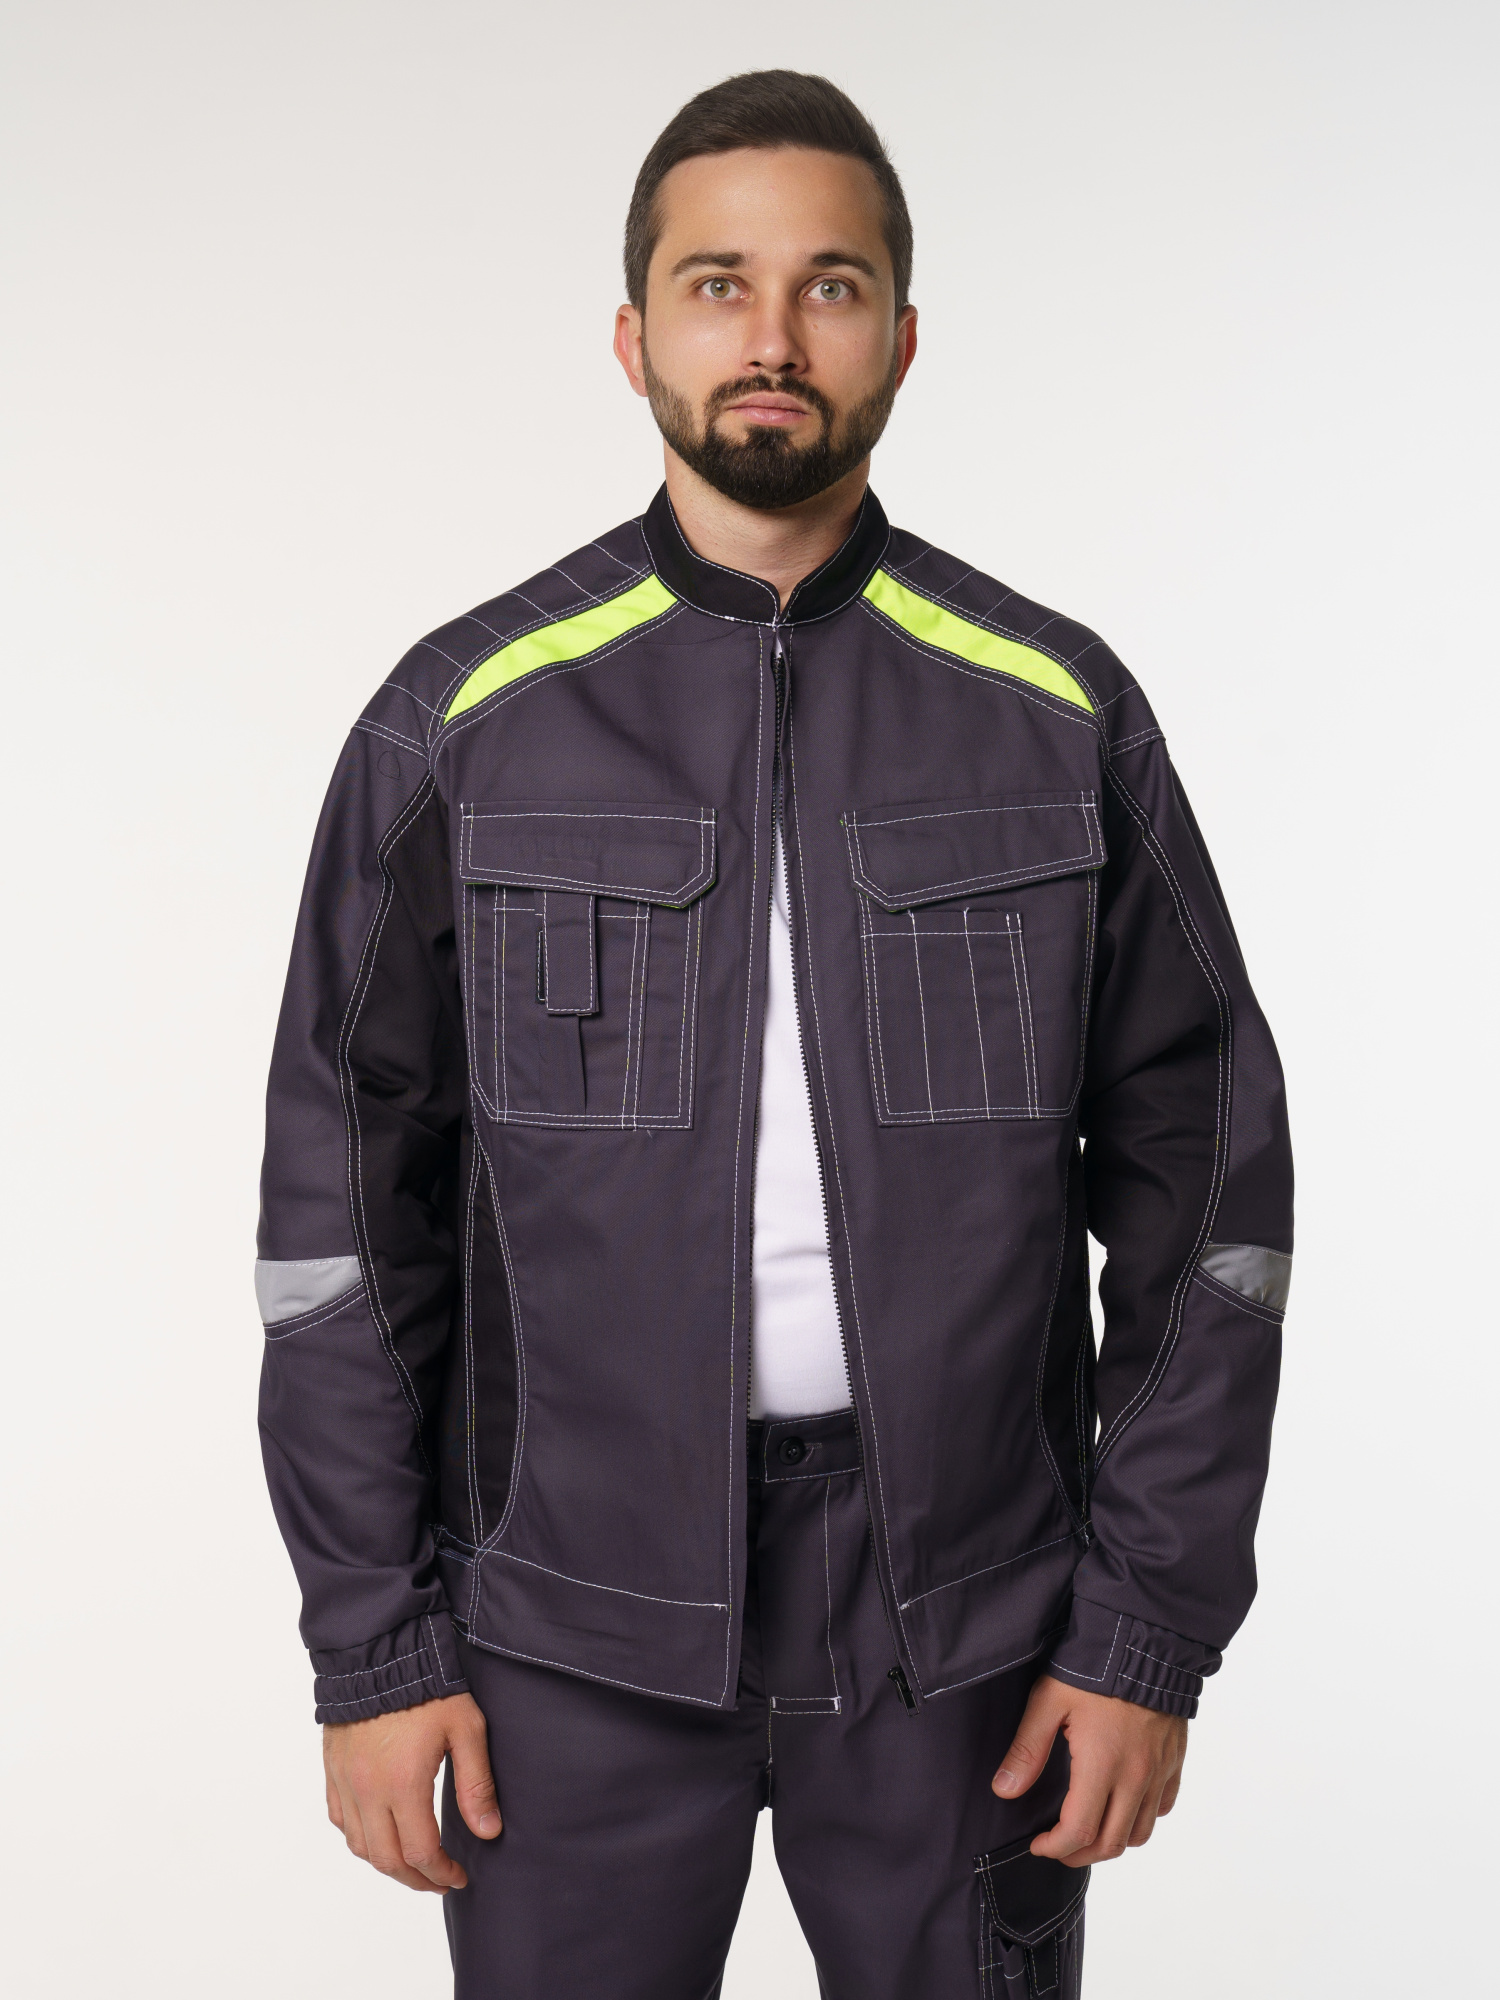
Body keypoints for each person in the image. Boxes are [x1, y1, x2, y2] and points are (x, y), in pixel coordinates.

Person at [256, 69, 1293, 2000]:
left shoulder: (1057, 710)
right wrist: (375, 1650)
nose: (772, 337)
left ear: (900, 335)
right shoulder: (464, 722)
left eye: (830, 285)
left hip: (967, 1637)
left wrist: (1144, 1633)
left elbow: (1211, 1208)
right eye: (718, 284)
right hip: (562, 1630)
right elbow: (337, 1224)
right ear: (634, 335)